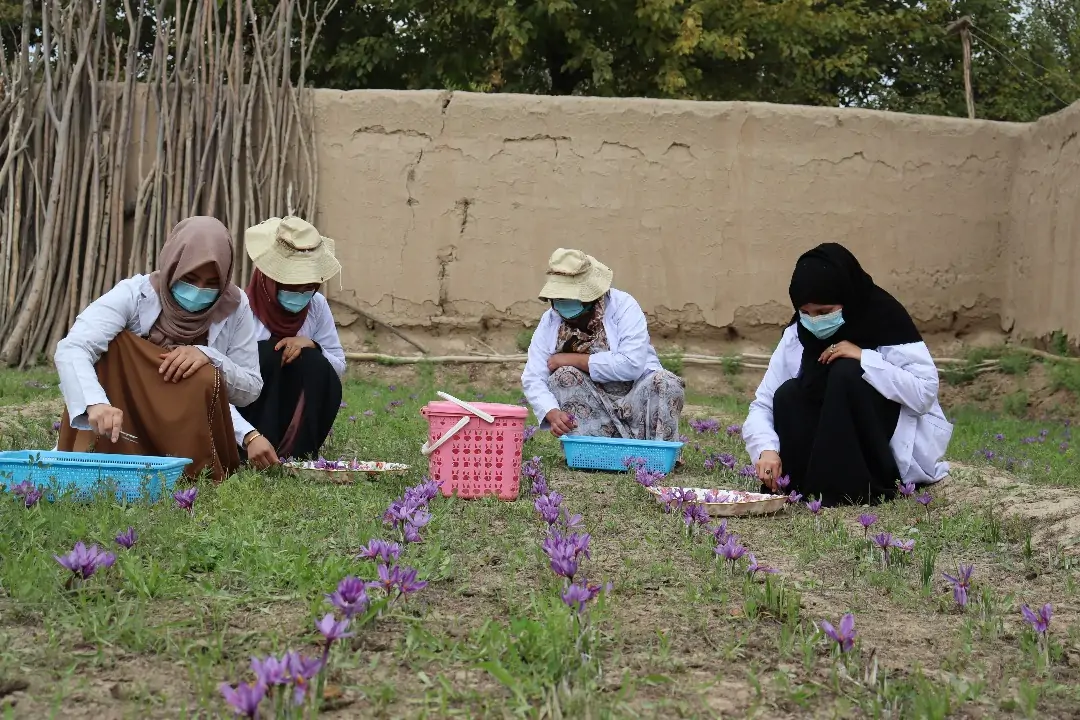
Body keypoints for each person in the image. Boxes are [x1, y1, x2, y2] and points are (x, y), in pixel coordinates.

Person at [741, 243, 953, 506]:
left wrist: (864, 357)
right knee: (788, 394)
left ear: (847, 297)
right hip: (822, 444)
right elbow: (764, 402)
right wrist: (766, 448)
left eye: (824, 312)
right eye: (806, 313)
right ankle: (805, 484)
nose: (814, 321)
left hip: (879, 448)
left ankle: (856, 487)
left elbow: (924, 393)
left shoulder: (885, 318)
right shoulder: (797, 333)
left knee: (846, 373)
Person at [54, 216, 262, 481]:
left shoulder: (234, 305)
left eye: (212, 283)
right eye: (190, 277)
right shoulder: (134, 294)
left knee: (204, 373)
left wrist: (207, 355)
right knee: (116, 345)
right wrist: (95, 403)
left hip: (187, 429)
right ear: (173, 266)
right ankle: (101, 462)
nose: (199, 291)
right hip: (129, 421)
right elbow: (74, 347)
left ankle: (190, 470)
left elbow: (251, 388)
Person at [521, 248, 685, 441]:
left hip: (637, 399)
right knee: (563, 376)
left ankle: (654, 454)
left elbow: (631, 364)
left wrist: (573, 359)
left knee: (666, 382)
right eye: (558, 299)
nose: (562, 305)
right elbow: (533, 376)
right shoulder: (550, 321)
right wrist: (552, 411)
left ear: (592, 296)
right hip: (592, 412)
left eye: (570, 298)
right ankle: (593, 451)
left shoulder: (623, 306)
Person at [230, 216, 345, 468]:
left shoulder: (316, 306)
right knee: (267, 353)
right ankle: (250, 450)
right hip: (247, 417)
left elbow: (337, 367)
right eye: (292, 286)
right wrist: (247, 435)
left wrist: (312, 345)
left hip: (291, 413)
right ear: (268, 279)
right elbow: (220, 382)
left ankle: (298, 453)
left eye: (308, 287)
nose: (300, 295)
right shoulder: (239, 309)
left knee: (315, 361)